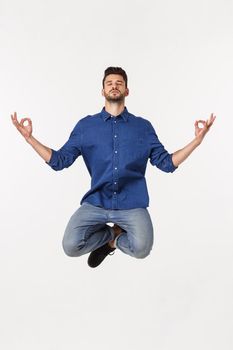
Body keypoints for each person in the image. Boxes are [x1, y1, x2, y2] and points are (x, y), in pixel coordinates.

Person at [11, 66, 216, 268]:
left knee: (142, 248)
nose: (114, 86)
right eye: (109, 83)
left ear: (127, 91)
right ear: (102, 91)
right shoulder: (86, 126)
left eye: (119, 83)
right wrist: (30, 139)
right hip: (97, 202)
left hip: (131, 203)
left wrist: (196, 141)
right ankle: (111, 235)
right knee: (71, 246)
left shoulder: (143, 127)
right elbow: (59, 161)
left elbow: (166, 163)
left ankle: (114, 242)